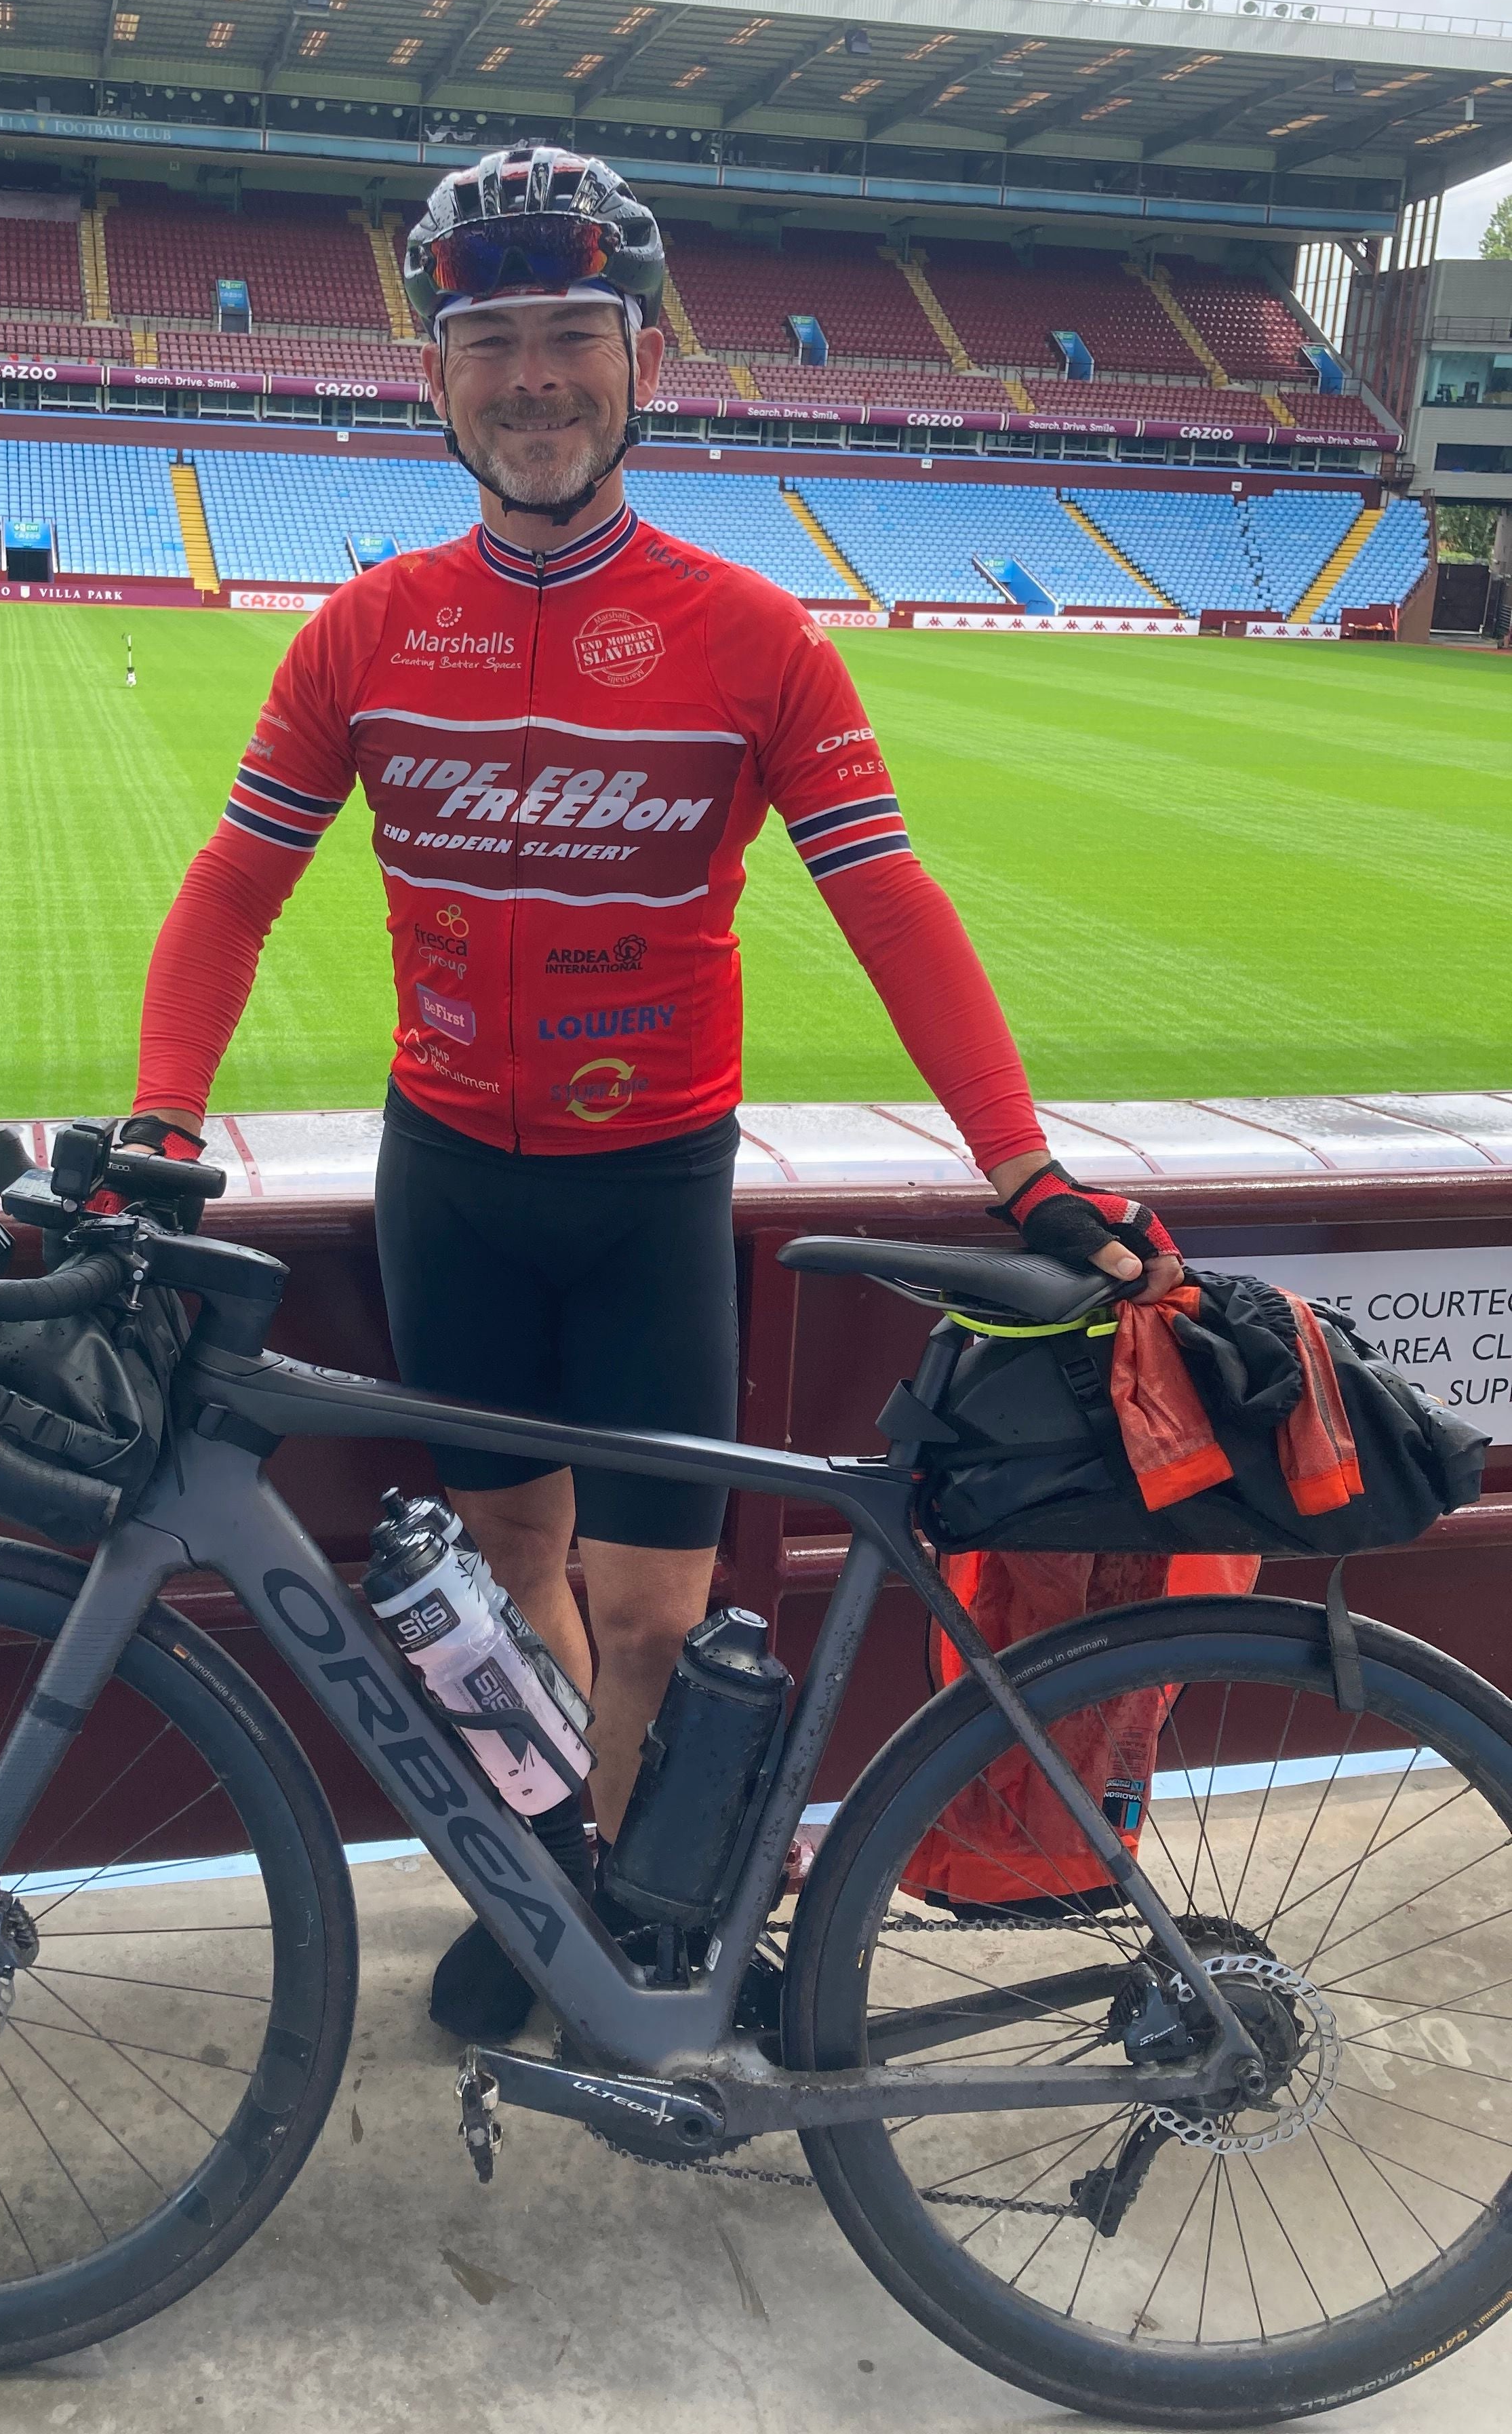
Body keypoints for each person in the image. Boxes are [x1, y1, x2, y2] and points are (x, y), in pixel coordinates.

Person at [123, 144, 1182, 2039]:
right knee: (503, 1577)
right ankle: (557, 1907)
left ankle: (648, 1931)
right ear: (433, 374)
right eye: (492, 342)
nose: (533, 379)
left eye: (571, 339)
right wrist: (158, 1123)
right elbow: (231, 887)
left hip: (650, 1192)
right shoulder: (364, 632)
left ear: (644, 356)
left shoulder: (751, 637)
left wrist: (1025, 1168)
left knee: (653, 1616)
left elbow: (893, 905)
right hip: (447, 1176)